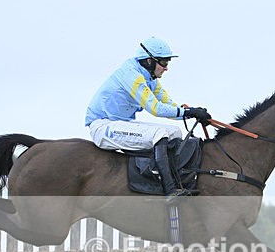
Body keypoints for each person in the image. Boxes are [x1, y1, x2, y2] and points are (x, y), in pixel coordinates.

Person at [85, 37, 211, 198]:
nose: (166, 68)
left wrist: (193, 113)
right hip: (103, 127)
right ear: (150, 61)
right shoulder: (132, 75)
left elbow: (169, 105)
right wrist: (188, 113)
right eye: (164, 62)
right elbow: (155, 109)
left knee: (175, 132)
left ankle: (170, 178)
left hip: (122, 123)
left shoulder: (150, 79)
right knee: (159, 134)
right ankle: (170, 190)